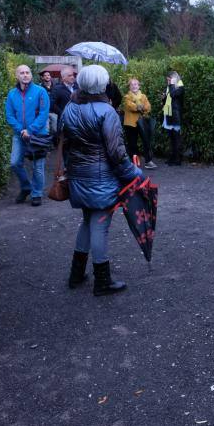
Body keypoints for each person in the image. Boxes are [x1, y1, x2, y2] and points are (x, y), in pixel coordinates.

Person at [60, 65, 142, 296]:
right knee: (100, 225)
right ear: (103, 85)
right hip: (102, 178)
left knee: (87, 220)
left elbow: (63, 139)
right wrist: (135, 174)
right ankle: (102, 281)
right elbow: (117, 153)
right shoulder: (107, 112)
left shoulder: (70, 107)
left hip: (78, 174)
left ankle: (76, 274)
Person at [5, 64, 50, 206]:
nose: (25, 75)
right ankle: (26, 187)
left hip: (38, 135)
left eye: (27, 72)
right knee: (14, 163)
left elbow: (44, 113)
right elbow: (9, 115)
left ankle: (37, 193)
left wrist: (30, 130)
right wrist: (21, 130)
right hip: (19, 134)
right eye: (22, 73)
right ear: (17, 76)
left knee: (38, 166)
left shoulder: (40, 91)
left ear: (31, 75)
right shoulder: (12, 94)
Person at [122, 78, 157, 169]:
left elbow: (148, 107)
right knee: (132, 144)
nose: (134, 86)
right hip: (130, 123)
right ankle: (134, 162)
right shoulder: (127, 97)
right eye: (132, 84)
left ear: (139, 86)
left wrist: (139, 107)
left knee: (146, 141)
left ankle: (148, 161)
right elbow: (130, 106)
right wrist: (141, 107)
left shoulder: (143, 96)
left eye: (136, 84)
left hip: (142, 122)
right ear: (129, 87)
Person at [161, 71, 184, 166]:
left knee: (176, 137)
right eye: (167, 80)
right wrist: (163, 98)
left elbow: (173, 95)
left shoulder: (180, 87)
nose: (168, 82)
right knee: (171, 138)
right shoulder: (169, 87)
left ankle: (177, 159)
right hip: (169, 115)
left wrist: (171, 85)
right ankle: (172, 157)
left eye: (169, 80)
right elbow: (167, 100)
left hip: (175, 115)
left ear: (174, 79)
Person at [39, 71, 57, 135]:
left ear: (50, 77)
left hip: (54, 111)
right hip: (44, 111)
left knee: (54, 129)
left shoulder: (55, 86)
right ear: (42, 77)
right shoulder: (40, 87)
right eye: (45, 75)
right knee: (46, 130)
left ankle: (54, 139)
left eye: (48, 75)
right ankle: (47, 140)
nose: (47, 77)